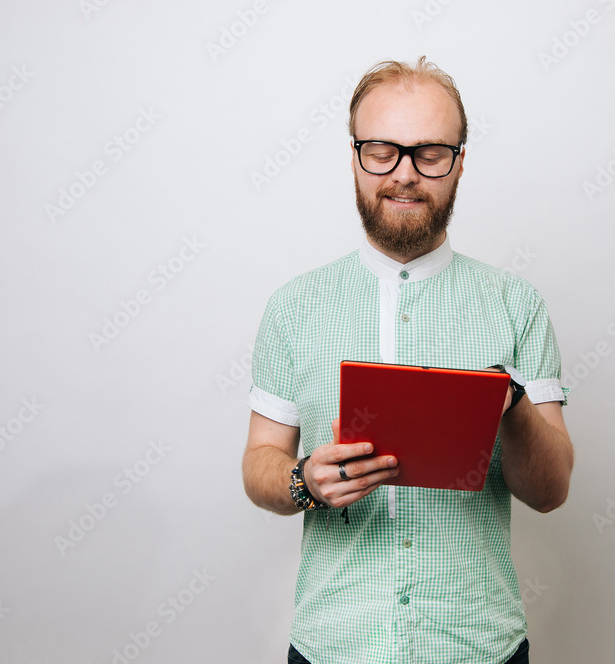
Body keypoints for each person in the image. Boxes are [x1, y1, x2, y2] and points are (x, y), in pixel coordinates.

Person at [241, 56, 575, 664]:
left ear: (460, 162)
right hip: (333, 645)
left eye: (430, 153)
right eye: (382, 151)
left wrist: (512, 401)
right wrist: (304, 480)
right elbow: (259, 462)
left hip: (479, 647)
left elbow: (551, 490)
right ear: (354, 158)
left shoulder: (516, 304)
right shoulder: (294, 307)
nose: (404, 174)